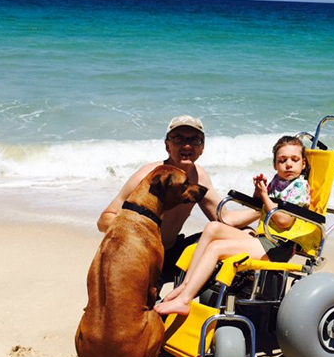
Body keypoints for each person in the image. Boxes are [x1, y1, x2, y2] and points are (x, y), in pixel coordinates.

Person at [154, 135, 311, 316]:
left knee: (216, 248)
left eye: (294, 160)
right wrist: (258, 192)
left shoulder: (300, 187)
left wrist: (265, 196)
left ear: (303, 164)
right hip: (264, 238)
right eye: (282, 161)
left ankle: (184, 300)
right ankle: (186, 285)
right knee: (213, 227)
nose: (288, 164)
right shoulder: (279, 180)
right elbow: (260, 207)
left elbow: (283, 221)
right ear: (275, 165)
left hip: (278, 245)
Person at [97, 115, 258, 286]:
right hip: (140, 257)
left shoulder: (198, 177)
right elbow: (104, 219)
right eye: (179, 139)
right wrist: (138, 232)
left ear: (202, 148)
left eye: (194, 140)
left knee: (241, 234)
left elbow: (225, 218)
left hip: (173, 253)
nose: (187, 145)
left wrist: (264, 208)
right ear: (167, 145)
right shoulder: (150, 177)